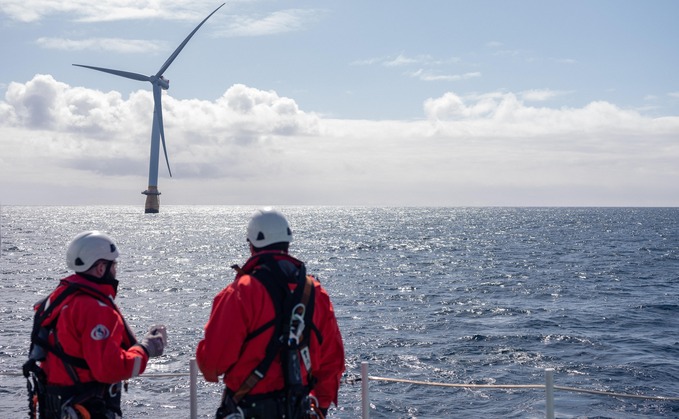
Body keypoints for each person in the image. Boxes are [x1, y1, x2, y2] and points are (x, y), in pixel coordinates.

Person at [197, 208, 345, 418]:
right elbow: (333, 360)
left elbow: (213, 363)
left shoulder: (241, 292)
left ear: (252, 245)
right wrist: (320, 407)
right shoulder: (315, 293)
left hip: (248, 410)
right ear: (288, 243)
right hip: (299, 411)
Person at [23, 231, 167, 418]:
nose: (115, 270)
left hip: (55, 407)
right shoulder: (96, 311)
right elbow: (109, 370)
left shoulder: (58, 300)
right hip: (84, 408)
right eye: (113, 264)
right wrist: (148, 348)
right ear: (101, 268)